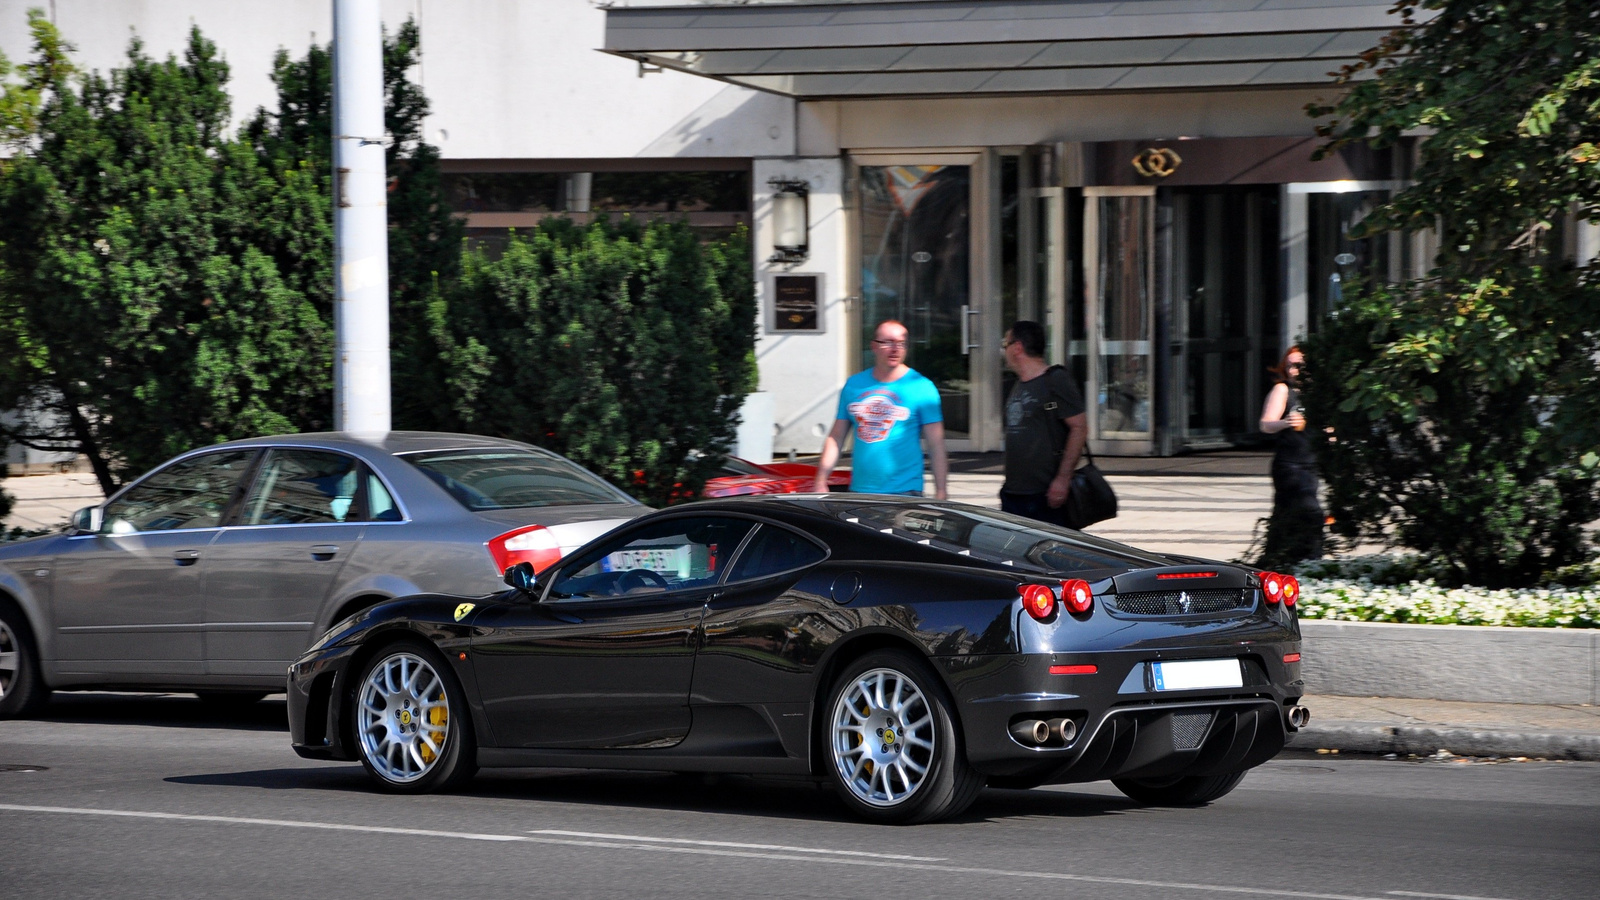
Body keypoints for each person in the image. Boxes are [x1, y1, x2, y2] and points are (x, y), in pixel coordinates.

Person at [812, 320, 949, 498]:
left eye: (901, 343)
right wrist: (820, 480)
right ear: (874, 346)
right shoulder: (854, 385)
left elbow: (936, 444)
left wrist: (941, 491)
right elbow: (836, 438)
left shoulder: (921, 387)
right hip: (860, 491)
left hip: (905, 492)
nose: (895, 349)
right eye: (888, 342)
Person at [999, 320, 1087, 525]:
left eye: (1006, 345)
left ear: (1017, 347)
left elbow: (1079, 427)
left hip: (1044, 495)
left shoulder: (1055, 380)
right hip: (1014, 493)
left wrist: (1062, 480)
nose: (1004, 351)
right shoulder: (1019, 384)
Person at [1257, 346, 1324, 564]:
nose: (1294, 370)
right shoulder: (1283, 391)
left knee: (1286, 514)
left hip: (1311, 463)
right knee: (1309, 510)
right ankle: (1311, 559)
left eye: (1299, 365)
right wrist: (1285, 422)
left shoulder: (1318, 392)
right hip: (1289, 465)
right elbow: (1266, 424)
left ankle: (1279, 560)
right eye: (1290, 366)